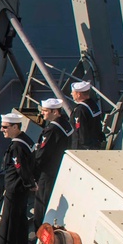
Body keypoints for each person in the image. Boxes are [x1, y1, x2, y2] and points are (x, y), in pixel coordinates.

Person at [0, 112, 37, 244]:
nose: (2, 130)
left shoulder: (17, 146)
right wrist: (31, 184)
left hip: (14, 191)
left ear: (15, 127)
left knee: (7, 229)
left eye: (5, 127)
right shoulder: (27, 141)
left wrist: (29, 183)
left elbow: (21, 168)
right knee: (20, 225)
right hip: (21, 191)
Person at [33, 97, 73, 232]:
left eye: (45, 111)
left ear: (55, 112)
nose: (42, 113)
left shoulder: (52, 130)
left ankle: (40, 231)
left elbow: (42, 153)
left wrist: (33, 173)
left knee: (42, 205)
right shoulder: (66, 125)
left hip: (48, 172)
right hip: (59, 169)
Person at [70, 80, 104, 149]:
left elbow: (80, 132)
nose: (71, 94)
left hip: (83, 148)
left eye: (73, 92)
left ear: (78, 94)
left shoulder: (80, 110)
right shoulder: (93, 105)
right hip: (95, 144)